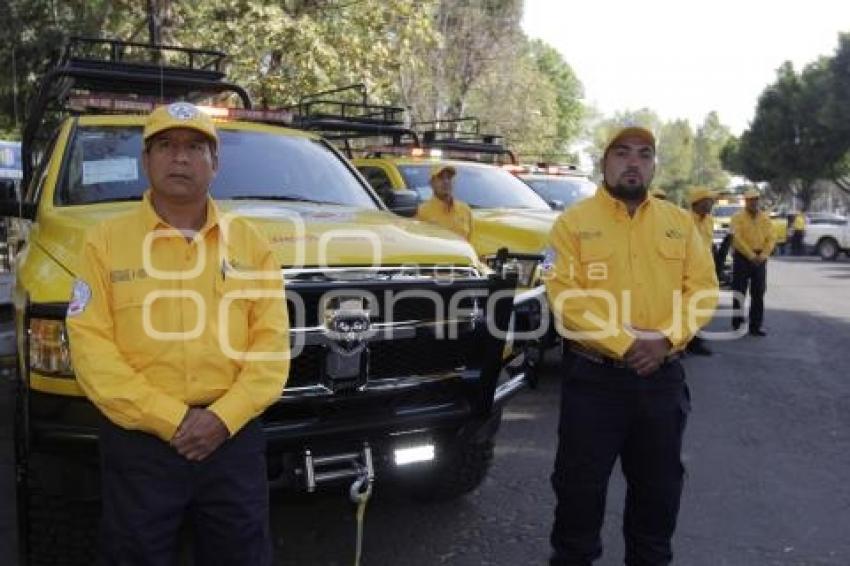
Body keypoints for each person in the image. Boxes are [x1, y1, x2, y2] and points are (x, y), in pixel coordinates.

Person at [66, 102, 290, 565]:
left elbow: (271, 348)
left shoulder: (252, 244)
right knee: (135, 554)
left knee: (242, 555)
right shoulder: (104, 242)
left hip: (232, 437)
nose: (180, 158)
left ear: (215, 163)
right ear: (145, 161)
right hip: (141, 442)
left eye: (194, 147)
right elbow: (91, 350)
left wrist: (223, 417)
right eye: (165, 146)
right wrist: (171, 419)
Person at [545, 126, 718, 565]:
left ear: (653, 165)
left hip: (661, 382)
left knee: (658, 497)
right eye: (622, 153)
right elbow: (565, 296)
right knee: (578, 495)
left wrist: (665, 339)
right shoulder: (574, 224)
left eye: (644, 154)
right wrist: (626, 343)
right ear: (604, 162)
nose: (633, 162)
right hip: (594, 383)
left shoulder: (679, 224)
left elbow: (702, 290)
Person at [730, 187, 775, 336]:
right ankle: (737, 322)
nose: (753, 202)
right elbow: (736, 239)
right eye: (750, 200)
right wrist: (750, 256)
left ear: (758, 201)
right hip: (743, 257)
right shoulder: (737, 217)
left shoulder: (765, 218)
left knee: (758, 292)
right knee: (739, 291)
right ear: (745, 201)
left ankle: (756, 326)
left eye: (755, 199)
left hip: (760, 257)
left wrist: (762, 256)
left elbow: (771, 239)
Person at [686, 186, 717, 356]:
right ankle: (683, 342)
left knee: (702, 305)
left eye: (712, 201)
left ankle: (697, 342)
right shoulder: (684, 220)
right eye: (708, 201)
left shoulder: (710, 221)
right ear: (696, 203)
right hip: (687, 269)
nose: (711, 204)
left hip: (704, 270)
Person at [415, 164, 474, 240]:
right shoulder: (422, 211)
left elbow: (470, 242)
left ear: (454, 182)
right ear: (432, 183)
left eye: (449, 178)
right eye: (440, 177)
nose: (446, 181)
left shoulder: (465, 210)